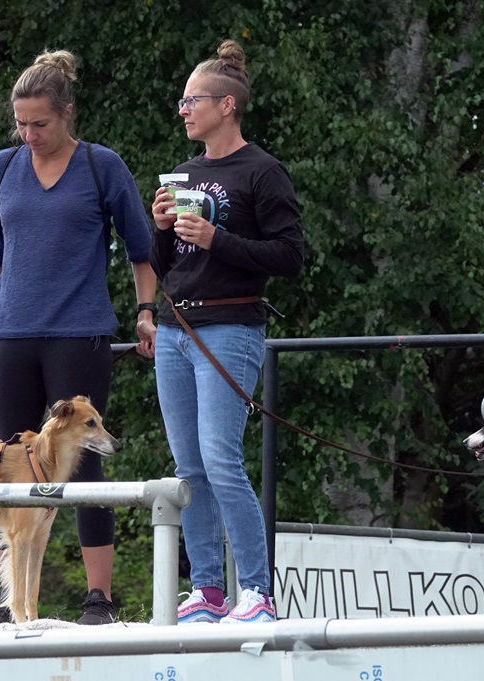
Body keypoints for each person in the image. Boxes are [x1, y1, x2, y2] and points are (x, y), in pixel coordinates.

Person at [0, 49, 157, 626]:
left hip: (78, 334)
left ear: (67, 113)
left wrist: (146, 312)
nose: (29, 134)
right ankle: (12, 601)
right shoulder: (2, 168)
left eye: (40, 123)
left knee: (82, 464)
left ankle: (99, 598)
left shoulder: (102, 166)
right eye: (21, 123)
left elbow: (141, 250)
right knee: (8, 463)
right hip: (10, 334)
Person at [149, 40, 304, 624]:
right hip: (175, 329)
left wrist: (219, 240)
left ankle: (258, 592)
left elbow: (290, 256)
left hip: (230, 327)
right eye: (183, 101)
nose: (183, 110)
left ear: (227, 105)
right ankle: (208, 589)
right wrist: (160, 228)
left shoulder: (263, 171)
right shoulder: (185, 172)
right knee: (188, 467)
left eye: (193, 101)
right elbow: (164, 264)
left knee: (220, 460)